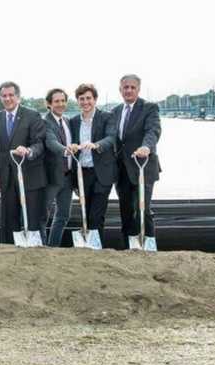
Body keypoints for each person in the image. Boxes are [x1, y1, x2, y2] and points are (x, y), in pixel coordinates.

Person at [0, 81, 47, 244]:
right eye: (4, 96)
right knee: (8, 220)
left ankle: (35, 251)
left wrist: (29, 151)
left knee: (33, 219)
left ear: (18, 97)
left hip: (30, 176)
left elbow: (40, 143)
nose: (7, 99)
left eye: (11, 95)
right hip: (6, 178)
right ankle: (8, 251)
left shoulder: (32, 115)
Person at [112, 74, 162, 248]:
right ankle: (127, 247)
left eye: (133, 87)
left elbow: (153, 131)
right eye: (125, 87)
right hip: (122, 170)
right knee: (125, 210)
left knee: (143, 209)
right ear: (120, 90)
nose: (129, 90)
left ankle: (148, 246)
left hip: (143, 167)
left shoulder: (149, 108)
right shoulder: (116, 111)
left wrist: (147, 147)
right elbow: (115, 139)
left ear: (138, 89)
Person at [68, 83, 117, 244]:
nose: (85, 102)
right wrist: (73, 147)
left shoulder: (107, 117)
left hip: (102, 173)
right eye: (81, 99)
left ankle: (96, 249)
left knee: (97, 214)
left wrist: (96, 145)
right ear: (78, 101)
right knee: (85, 211)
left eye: (88, 98)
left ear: (95, 99)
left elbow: (111, 138)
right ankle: (87, 248)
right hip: (82, 173)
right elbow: (71, 143)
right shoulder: (74, 121)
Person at [43, 88, 74, 247]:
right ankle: (41, 248)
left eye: (63, 101)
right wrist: (65, 149)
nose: (60, 104)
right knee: (43, 215)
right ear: (49, 104)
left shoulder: (67, 121)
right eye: (56, 101)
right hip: (51, 177)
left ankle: (53, 247)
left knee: (63, 215)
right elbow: (51, 142)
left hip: (68, 177)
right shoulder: (45, 122)